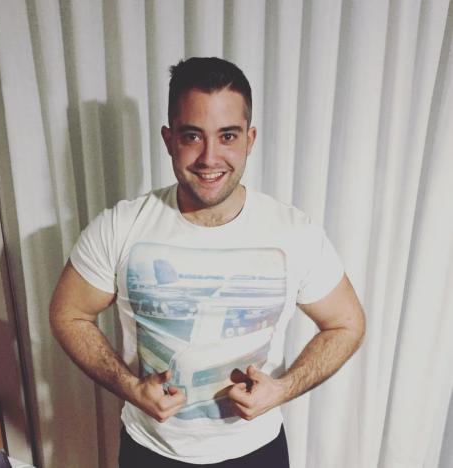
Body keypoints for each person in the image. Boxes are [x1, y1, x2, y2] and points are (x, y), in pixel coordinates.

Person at [49, 57, 365, 467]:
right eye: (192, 136)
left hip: (256, 452)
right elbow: (69, 313)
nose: (209, 157)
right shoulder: (120, 225)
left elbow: (346, 323)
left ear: (250, 139)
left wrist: (282, 389)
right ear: (169, 140)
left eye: (227, 135)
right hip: (151, 451)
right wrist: (130, 387)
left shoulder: (295, 233)